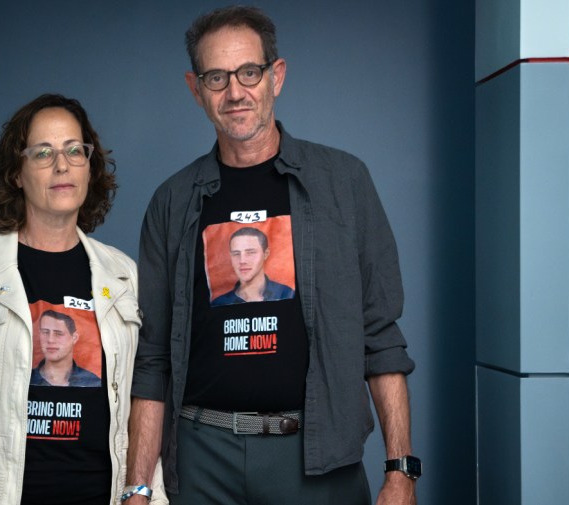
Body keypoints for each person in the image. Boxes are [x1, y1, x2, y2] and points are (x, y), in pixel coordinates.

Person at [126, 6, 418, 505]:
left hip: (318, 458)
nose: (235, 91)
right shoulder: (172, 202)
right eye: (216, 77)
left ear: (275, 77)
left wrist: (400, 471)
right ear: (195, 89)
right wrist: (138, 486)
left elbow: (380, 337)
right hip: (202, 462)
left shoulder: (344, 183)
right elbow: (152, 359)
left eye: (249, 72)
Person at [0, 94, 166, 505]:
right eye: (43, 153)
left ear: (89, 165)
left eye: (74, 151)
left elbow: (143, 397)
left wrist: (143, 493)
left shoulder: (123, 277)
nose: (61, 165)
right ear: (16, 173)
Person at [211, 226, 294, 306]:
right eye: (236, 254)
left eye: (251, 252)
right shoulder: (220, 303)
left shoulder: (285, 294)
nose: (242, 261)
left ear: (265, 254)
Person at [31, 309, 101, 387]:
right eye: (45, 332)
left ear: (74, 337)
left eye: (58, 334)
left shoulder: (93, 383)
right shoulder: (25, 379)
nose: (50, 340)